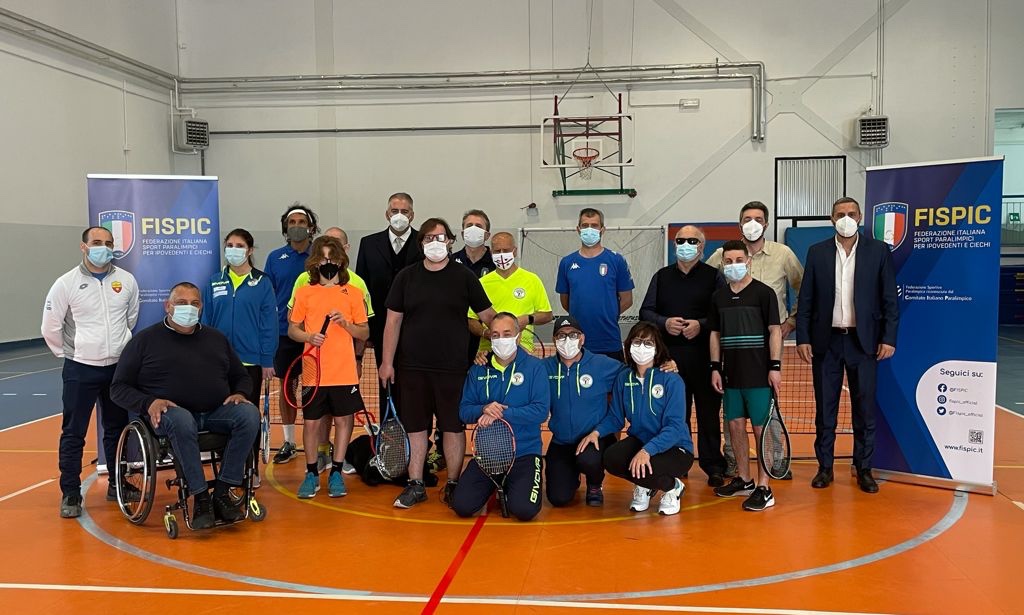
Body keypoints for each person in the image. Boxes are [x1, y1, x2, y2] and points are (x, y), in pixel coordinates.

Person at [110, 282, 259, 530]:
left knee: (249, 414)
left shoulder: (216, 338)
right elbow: (118, 388)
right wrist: (149, 402)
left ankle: (222, 491)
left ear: (201, 307)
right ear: (167, 306)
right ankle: (200, 497)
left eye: (194, 303)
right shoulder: (144, 341)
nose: (188, 308)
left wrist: (241, 393)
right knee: (181, 419)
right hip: (170, 416)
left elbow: (241, 376)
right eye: (181, 303)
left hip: (214, 412)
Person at [379, 217, 496, 509]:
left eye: (441, 237)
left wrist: (500, 345)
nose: (435, 243)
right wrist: (386, 362)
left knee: (452, 429)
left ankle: (453, 484)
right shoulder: (406, 277)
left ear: (450, 242)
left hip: (453, 369)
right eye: (429, 238)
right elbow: (393, 321)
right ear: (421, 244)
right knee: (416, 429)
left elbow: (489, 316)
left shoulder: (464, 277)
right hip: (412, 368)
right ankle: (415, 484)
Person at [796, 197, 898, 494]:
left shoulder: (878, 251)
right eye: (840, 214)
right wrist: (803, 337)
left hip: (863, 342)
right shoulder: (817, 252)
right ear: (831, 218)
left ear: (860, 217)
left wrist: (888, 337)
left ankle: (863, 468)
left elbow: (890, 298)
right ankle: (825, 467)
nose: (846, 218)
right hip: (826, 342)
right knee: (825, 410)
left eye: (851, 213)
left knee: (864, 409)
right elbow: (806, 300)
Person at [43, 226, 139, 518]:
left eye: (108, 243)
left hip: (117, 369)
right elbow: (50, 326)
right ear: (83, 247)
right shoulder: (65, 283)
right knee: (73, 433)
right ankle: (71, 493)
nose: (104, 247)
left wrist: (117, 349)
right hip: (80, 369)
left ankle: (117, 484)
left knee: (116, 430)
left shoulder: (126, 280)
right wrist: (71, 354)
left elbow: (130, 318)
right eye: (97, 242)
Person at [706, 201, 802, 478]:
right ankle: (734, 461)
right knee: (732, 410)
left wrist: (791, 321)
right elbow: (708, 282)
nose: (752, 223)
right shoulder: (722, 254)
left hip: (767, 344)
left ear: (766, 224)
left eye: (758, 219)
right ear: (739, 224)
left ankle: (775, 460)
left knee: (767, 406)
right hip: (732, 345)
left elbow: (802, 286)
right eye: (747, 218)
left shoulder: (783, 254)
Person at [640, 225, 727, 488]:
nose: (686, 244)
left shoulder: (714, 277)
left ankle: (713, 465)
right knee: (675, 415)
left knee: (708, 415)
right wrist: (664, 323)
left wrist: (701, 324)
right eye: (680, 240)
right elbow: (646, 311)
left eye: (692, 240)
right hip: (669, 362)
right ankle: (680, 461)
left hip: (705, 358)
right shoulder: (662, 276)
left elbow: (722, 312)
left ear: (702, 247)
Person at [289, 236, 370, 499]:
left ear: (340, 261)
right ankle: (311, 472)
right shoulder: (304, 292)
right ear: (314, 261)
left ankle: (336, 470)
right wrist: (309, 337)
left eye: (332, 258)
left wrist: (346, 324)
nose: (328, 263)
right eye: (322, 258)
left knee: (343, 421)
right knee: (312, 423)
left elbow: (364, 331)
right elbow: (293, 330)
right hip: (314, 370)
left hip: (343, 371)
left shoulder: (354, 293)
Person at [452, 313, 549, 521]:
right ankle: (496, 484)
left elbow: (540, 411)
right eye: (495, 335)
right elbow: (464, 411)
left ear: (518, 335)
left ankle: (514, 484)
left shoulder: (535, 368)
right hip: (487, 457)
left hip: (524, 454)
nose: (501, 339)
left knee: (524, 510)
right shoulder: (478, 369)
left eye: (507, 333)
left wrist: (501, 412)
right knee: (461, 506)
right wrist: (483, 409)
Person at [708, 240, 782, 512]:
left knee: (761, 430)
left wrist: (774, 367)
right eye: (728, 261)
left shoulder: (764, 293)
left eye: (739, 259)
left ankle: (764, 487)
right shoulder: (718, 297)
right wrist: (715, 367)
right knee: (736, 428)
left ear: (749, 260)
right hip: (730, 376)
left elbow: (775, 330)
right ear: (722, 263)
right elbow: (715, 334)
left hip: (759, 375)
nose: (734, 265)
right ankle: (745, 479)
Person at [597, 322, 694, 516]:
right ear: (628, 345)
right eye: (637, 342)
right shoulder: (624, 378)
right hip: (641, 440)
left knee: (647, 466)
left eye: (648, 343)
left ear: (657, 348)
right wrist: (596, 432)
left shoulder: (671, 380)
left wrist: (646, 450)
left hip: (676, 447)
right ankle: (645, 486)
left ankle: (673, 487)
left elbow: (675, 427)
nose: (642, 347)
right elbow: (616, 418)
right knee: (611, 458)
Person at [541, 316, 625, 507]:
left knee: (588, 460)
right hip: (561, 441)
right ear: (554, 340)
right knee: (558, 499)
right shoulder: (544, 368)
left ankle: (595, 484)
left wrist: (665, 364)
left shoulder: (602, 364)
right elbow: (517, 368)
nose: (567, 339)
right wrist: (485, 358)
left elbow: (636, 372)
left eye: (573, 335)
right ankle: (572, 475)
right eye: (561, 335)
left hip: (594, 438)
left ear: (582, 338)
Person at [265, 203, 319, 464]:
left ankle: (320, 444)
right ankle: (289, 441)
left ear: (311, 227)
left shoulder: (320, 255)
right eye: (292, 222)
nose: (296, 226)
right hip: (284, 334)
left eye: (301, 222)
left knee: (315, 389)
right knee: (288, 387)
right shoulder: (275, 258)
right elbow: (268, 296)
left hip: (315, 335)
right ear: (286, 228)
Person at [200, 228, 277, 406]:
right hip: (219, 361)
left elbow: (269, 325)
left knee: (247, 415)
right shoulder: (214, 281)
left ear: (250, 250)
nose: (234, 249)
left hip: (250, 363)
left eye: (240, 246)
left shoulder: (262, 282)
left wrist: (267, 359)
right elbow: (206, 322)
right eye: (230, 245)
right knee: (219, 412)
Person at [355, 192, 422, 393]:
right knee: (385, 379)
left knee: (413, 382)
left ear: (412, 215)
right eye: (395, 211)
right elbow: (362, 289)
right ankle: (388, 423)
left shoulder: (424, 243)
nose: (399, 215)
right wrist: (366, 330)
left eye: (404, 211)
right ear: (387, 214)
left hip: (416, 326)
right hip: (380, 327)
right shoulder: (368, 244)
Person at [555, 208, 634, 361]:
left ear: (602, 230)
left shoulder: (617, 260)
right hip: (576, 343)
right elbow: (566, 301)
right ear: (578, 229)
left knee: (613, 385)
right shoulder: (566, 263)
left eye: (594, 225)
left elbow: (627, 300)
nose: (589, 229)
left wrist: (607, 314)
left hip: (609, 341)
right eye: (585, 225)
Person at [468, 232, 553, 355]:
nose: (502, 254)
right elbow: (471, 319)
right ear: (491, 253)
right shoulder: (481, 283)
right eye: (498, 251)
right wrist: (485, 333)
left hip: (523, 349)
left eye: (506, 250)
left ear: (514, 251)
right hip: (489, 350)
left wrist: (528, 319)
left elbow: (547, 315)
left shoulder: (532, 279)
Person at [453, 209, 495, 366]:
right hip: (456, 332)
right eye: (469, 225)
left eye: (478, 226)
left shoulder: (496, 264)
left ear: (487, 235)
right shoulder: (450, 262)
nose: (473, 228)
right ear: (463, 233)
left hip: (486, 335)